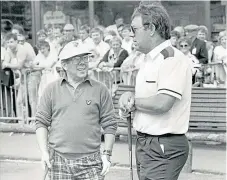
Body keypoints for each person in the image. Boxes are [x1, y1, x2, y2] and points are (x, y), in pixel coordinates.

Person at [119, 2, 192, 180]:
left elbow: (162, 103)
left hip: (163, 144)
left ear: (150, 28)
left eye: (134, 29)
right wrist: (129, 98)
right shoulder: (146, 60)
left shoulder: (171, 58)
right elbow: (147, 99)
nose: (131, 34)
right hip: (146, 142)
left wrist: (133, 102)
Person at [35, 45, 117, 180]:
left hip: (91, 161)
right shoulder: (51, 89)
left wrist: (107, 155)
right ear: (64, 64)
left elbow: (110, 124)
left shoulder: (100, 89)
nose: (83, 62)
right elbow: (41, 122)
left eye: (85, 58)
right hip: (58, 160)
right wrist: (44, 152)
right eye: (76, 59)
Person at [2, 33, 41, 118]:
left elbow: (18, 65)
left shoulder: (22, 50)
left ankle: (34, 121)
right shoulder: (9, 49)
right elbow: (5, 62)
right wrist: (6, 63)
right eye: (8, 42)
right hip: (24, 74)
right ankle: (21, 123)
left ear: (16, 42)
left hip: (33, 73)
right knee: (19, 101)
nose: (9, 44)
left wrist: (7, 64)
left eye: (11, 42)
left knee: (32, 99)